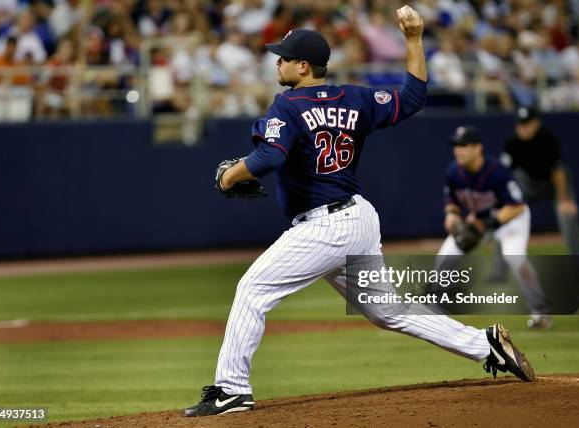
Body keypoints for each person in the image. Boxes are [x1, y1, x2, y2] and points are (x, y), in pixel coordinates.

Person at [183, 6, 535, 418]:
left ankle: (231, 389)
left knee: (252, 290)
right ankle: (484, 343)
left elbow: (268, 157)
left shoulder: (288, 105)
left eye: (283, 57)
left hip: (324, 225)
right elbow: (414, 98)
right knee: (388, 311)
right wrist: (415, 39)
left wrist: (229, 176)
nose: (277, 62)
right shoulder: (356, 97)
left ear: (302, 66)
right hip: (359, 218)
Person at [436, 125, 552, 329]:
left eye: (464, 145)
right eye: (456, 145)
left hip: (511, 220)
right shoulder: (454, 171)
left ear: (477, 148)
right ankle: (436, 311)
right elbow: (451, 199)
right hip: (478, 221)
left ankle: (540, 310)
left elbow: (517, 205)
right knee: (445, 256)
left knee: (514, 257)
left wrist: (488, 224)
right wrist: (451, 214)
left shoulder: (496, 171)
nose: (458, 150)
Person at [504, 107, 579, 256]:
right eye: (521, 124)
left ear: (536, 123)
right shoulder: (512, 142)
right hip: (529, 184)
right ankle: (498, 271)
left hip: (555, 184)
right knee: (504, 216)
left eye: (527, 123)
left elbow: (558, 171)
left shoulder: (547, 139)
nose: (524, 128)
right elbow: (506, 174)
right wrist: (507, 203)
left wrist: (563, 200)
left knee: (567, 215)